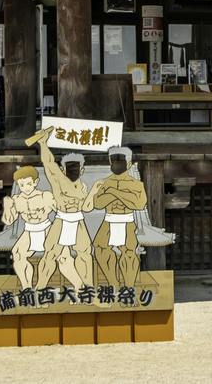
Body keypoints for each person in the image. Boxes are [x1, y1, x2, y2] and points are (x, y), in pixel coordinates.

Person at [26, 125, 97, 292]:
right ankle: (40, 288)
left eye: (76, 168)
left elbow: (86, 207)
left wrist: (93, 192)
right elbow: (49, 163)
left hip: (78, 219)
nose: (73, 171)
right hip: (62, 218)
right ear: (64, 169)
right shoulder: (59, 180)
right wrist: (43, 144)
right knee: (50, 254)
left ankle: (89, 290)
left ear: (82, 169)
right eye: (70, 168)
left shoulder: (83, 186)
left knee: (85, 254)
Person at [87, 146, 150, 289]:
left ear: (128, 163)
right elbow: (98, 203)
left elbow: (139, 203)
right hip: (109, 220)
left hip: (127, 220)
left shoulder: (136, 184)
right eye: (114, 161)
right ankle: (113, 283)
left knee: (129, 253)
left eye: (120, 161)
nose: (117, 164)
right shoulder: (104, 182)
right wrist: (124, 196)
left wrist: (114, 192)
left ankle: (129, 287)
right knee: (100, 248)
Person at [0, 165, 56, 291]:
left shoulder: (45, 196)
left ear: (35, 182)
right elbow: (8, 221)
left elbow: (61, 211)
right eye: (22, 185)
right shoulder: (17, 199)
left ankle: (42, 285)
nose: (26, 188)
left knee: (55, 256)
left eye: (29, 184)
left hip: (46, 228)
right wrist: (7, 207)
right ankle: (27, 287)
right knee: (17, 253)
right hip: (29, 230)